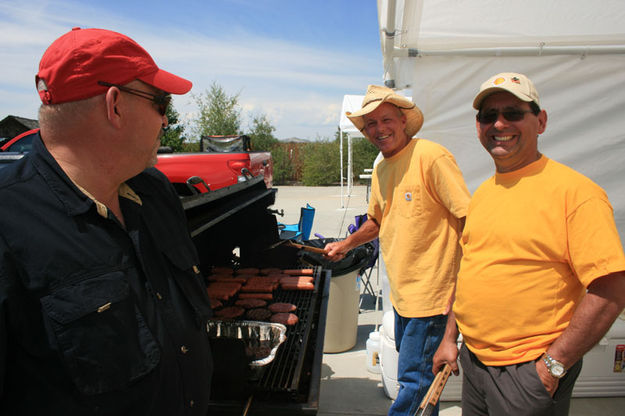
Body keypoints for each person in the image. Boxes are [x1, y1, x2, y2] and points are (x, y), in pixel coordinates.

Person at [0, 28, 214, 415]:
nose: (165, 121)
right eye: (161, 103)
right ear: (114, 105)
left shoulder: (155, 192)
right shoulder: (7, 223)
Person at [433, 72, 625, 416]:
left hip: (528, 371)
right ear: (478, 127)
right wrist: (450, 339)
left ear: (541, 121)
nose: (499, 123)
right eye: (488, 116)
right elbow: (470, 269)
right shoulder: (484, 194)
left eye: (513, 113)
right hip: (474, 363)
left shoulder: (576, 193)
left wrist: (553, 365)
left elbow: (611, 287)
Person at [325, 85, 470, 416]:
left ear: (403, 121)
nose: (379, 129)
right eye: (371, 124)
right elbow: (377, 220)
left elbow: (468, 219)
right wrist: (345, 244)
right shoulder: (382, 168)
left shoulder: (430, 156)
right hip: (404, 295)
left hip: (433, 297)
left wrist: (463, 290)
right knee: (418, 383)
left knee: (414, 385)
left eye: (386, 119)